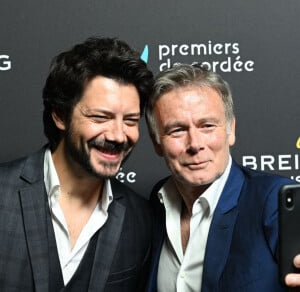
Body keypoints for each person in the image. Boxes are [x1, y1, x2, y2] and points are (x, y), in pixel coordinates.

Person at [0, 37, 154, 291]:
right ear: (60, 115)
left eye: (130, 120)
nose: (117, 135)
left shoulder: (142, 219)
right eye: (100, 117)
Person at [145, 63, 296, 291]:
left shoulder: (275, 201)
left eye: (207, 126)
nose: (195, 144)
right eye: (177, 130)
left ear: (230, 130)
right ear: (157, 141)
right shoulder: (156, 203)